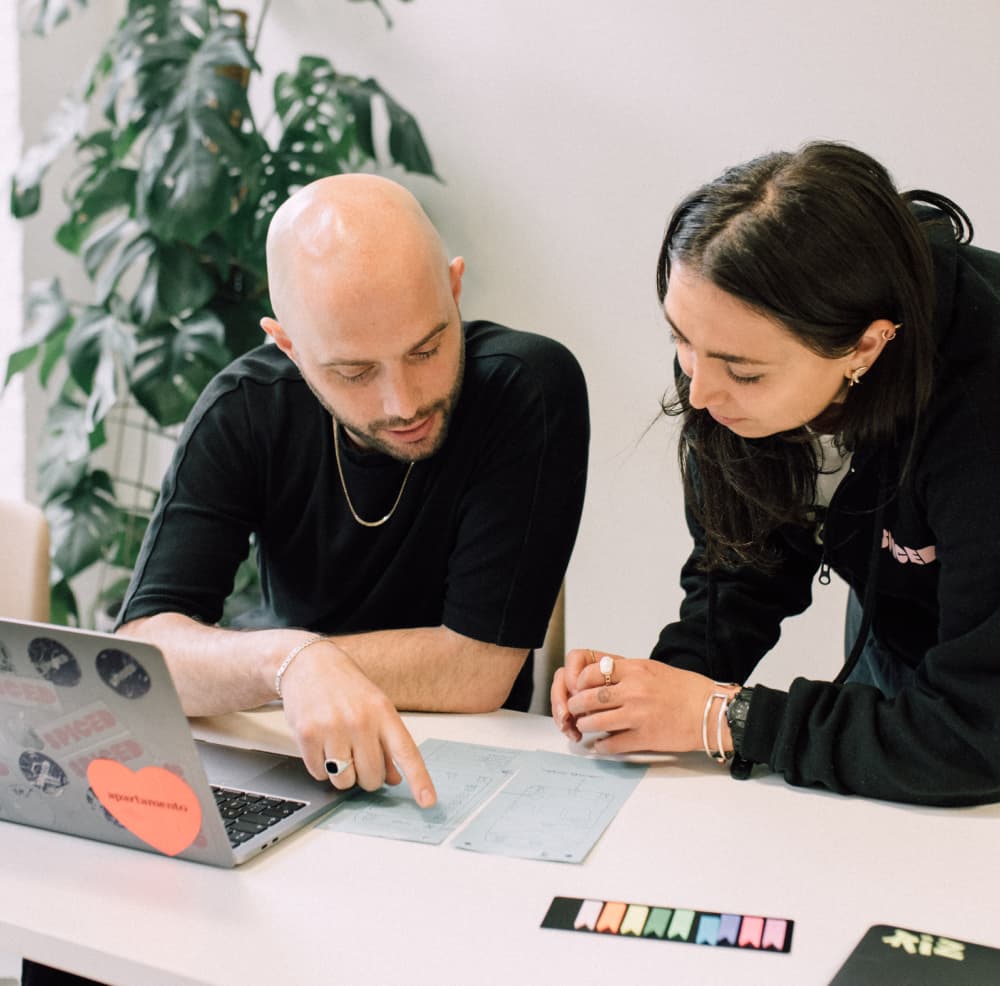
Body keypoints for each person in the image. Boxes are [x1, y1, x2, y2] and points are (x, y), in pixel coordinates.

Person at [115, 173, 589, 804]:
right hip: (281, 743)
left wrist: (295, 665)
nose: (405, 402)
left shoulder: (524, 388)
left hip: (466, 761)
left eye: (426, 349)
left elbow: (474, 671)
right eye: (355, 371)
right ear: (287, 344)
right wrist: (290, 665)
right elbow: (142, 654)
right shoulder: (245, 408)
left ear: (453, 288)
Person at [552, 140, 1000, 806]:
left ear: (865, 346)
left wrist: (725, 716)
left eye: (744, 371)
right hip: (902, 614)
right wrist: (658, 691)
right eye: (680, 339)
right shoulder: (722, 349)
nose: (699, 392)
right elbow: (743, 562)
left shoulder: (980, 412)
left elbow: (973, 739)